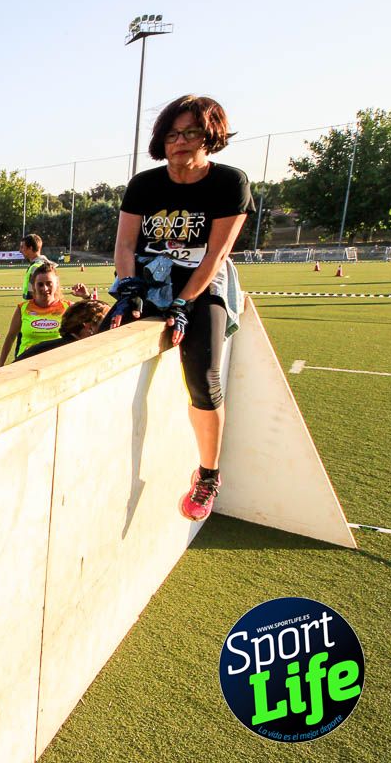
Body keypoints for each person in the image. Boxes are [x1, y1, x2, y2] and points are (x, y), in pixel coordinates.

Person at [108, 93, 253, 521]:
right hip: (148, 278)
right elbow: (126, 243)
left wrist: (184, 303)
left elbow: (216, 254)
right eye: (172, 133)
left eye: (191, 132)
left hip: (200, 283)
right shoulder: (144, 185)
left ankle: (208, 474)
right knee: (100, 339)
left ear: (210, 136)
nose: (181, 141)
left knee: (203, 375)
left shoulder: (230, 182)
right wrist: (128, 291)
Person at [0, 263, 72, 365]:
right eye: (40, 284)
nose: (44, 288)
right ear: (33, 286)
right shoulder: (22, 308)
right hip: (25, 363)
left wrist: (87, 297)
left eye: (49, 283)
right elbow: (10, 338)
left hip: (56, 364)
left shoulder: (68, 307)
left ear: (56, 283)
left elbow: (94, 320)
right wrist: (0, 364)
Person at [15, 299, 110, 361]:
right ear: (89, 327)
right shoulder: (71, 355)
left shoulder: (44, 348)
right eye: (105, 323)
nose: (109, 328)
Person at [19, 234, 50, 300]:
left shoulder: (36, 267)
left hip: (32, 309)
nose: (20, 251)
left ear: (30, 248)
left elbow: (32, 295)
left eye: (22, 247)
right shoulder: (41, 264)